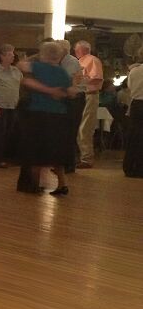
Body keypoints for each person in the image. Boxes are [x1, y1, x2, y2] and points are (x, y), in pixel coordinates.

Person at [17, 41, 74, 194]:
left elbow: (21, 65)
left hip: (39, 112)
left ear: (44, 54)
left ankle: (35, 185)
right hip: (59, 115)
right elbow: (70, 91)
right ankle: (62, 184)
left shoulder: (39, 67)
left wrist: (36, 56)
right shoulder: (63, 72)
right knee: (56, 150)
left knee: (37, 150)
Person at [0, 43, 22, 167]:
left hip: (12, 106)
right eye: (9, 54)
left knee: (9, 133)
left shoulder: (16, 71)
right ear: (2, 56)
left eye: (12, 54)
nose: (12, 56)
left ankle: (6, 156)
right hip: (0, 106)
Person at [56, 39, 85, 173]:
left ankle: (68, 164)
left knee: (69, 132)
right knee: (64, 132)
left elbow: (67, 80)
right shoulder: (64, 61)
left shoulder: (70, 62)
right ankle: (64, 164)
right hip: (69, 98)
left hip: (74, 99)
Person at [74, 39, 103, 168]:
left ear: (83, 49)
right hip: (81, 96)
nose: (75, 51)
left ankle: (86, 158)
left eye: (76, 49)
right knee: (80, 126)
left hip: (89, 95)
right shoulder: (79, 61)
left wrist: (80, 82)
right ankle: (82, 156)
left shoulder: (92, 60)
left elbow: (96, 78)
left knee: (85, 127)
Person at [123, 46, 143, 177]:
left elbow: (130, 87)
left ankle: (131, 167)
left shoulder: (134, 71)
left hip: (137, 105)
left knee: (135, 137)